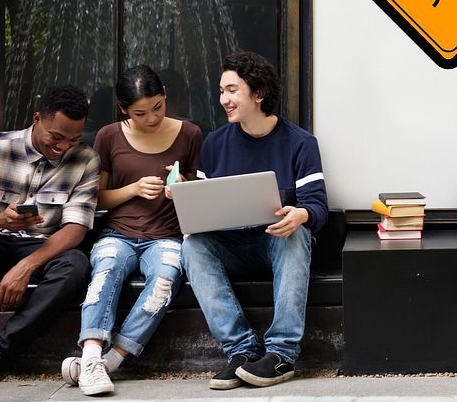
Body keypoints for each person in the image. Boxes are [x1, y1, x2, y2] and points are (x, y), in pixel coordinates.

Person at [181, 50, 328, 390]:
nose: (224, 99)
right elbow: (204, 208)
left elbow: (318, 206)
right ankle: (242, 351)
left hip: (277, 243)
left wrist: (301, 214)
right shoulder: (215, 143)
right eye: (221, 91)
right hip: (230, 245)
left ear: (258, 93)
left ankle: (281, 355)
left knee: (297, 233)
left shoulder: (300, 143)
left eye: (232, 90)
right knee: (193, 246)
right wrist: (186, 199)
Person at [60, 66, 202, 395]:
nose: (152, 118)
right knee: (105, 271)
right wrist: (135, 188)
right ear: (123, 108)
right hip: (119, 234)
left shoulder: (190, 133)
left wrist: (182, 187)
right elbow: (96, 199)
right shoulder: (108, 136)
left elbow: (198, 195)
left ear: (165, 95)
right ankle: (92, 355)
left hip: (167, 236)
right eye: (140, 112)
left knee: (165, 280)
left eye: (158, 107)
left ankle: (111, 361)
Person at [0, 86, 99, 386]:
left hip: (41, 248)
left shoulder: (86, 160)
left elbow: (75, 229)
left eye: (73, 139)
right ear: (37, 119)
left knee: (76, 265)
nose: (63, 147)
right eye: (56, 137)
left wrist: (27, 266)